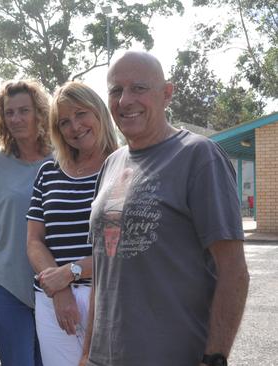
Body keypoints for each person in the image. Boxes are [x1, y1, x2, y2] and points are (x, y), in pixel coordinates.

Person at [81, 51, 250, 366]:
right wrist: (88, 352)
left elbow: (233, 270)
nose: (125, 100)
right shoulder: (111, 164)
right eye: (116, 90)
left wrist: (214, 358)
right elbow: (104, 271)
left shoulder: (199, 156)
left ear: (167, 94)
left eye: (139, 88)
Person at [26, 81, 118, 365]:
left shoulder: (122, 166)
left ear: (99, 112)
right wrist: (60, 287)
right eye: (64, 122)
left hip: (107, 297)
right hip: (52, 299)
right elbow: (34, 241)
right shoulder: (48, 171)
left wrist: (71, 272)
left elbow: (121, 246)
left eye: (81, 114)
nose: (75, 127)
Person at [0, 80, 52, 366]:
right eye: (9, 112)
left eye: (24, 111)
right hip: (7, 287)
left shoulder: (62, 160)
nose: (16, 119)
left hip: (56, 286)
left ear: (40, 113)